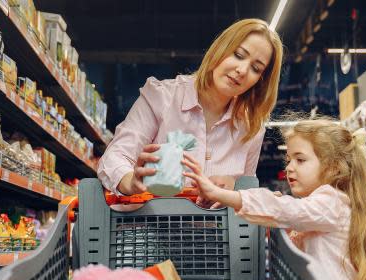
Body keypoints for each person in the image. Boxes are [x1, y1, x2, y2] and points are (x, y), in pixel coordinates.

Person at [182, 118, 366, 280]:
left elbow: (285, 209)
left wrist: (223, 195)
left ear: (334, 167)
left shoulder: (331, 201)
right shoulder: (326, 204)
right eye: (289, 159)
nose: (289, 167)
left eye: (300, 159)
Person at [97, 19, 284, 207]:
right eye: (238, 55)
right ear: (220, 49)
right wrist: (130, 181)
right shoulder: (162, 97)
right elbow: (114, 157)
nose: (242, 70)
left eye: (256, 68)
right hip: (150, 229)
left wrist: (236, 191)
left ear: (260, 80)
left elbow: (247, 186)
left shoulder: (251, 126)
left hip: (217, 234)